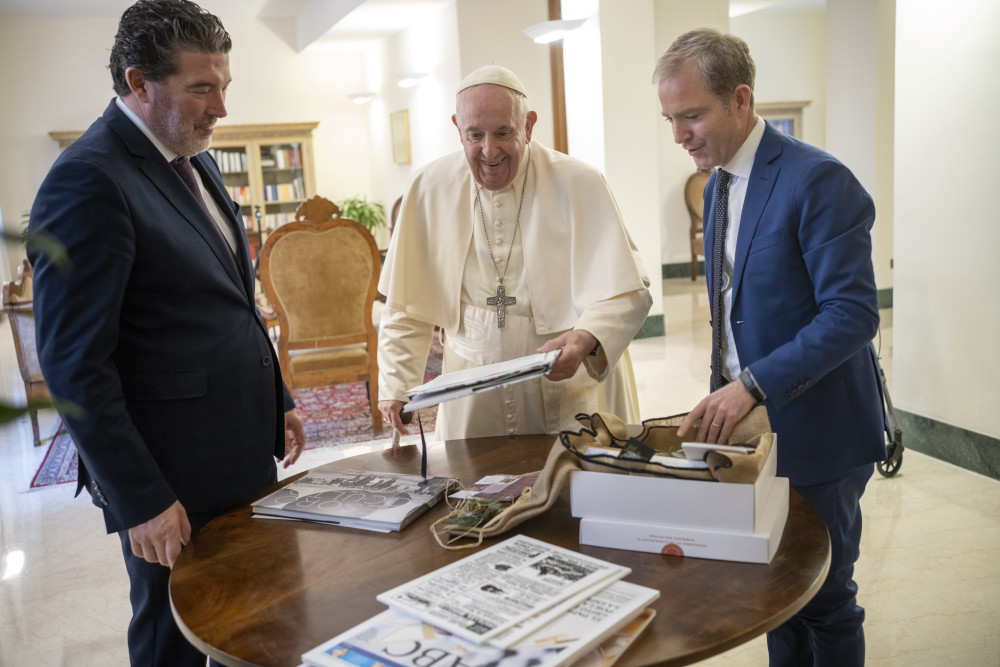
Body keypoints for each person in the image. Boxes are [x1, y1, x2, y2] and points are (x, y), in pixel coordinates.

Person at [27, 1, 305, 664]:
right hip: (170, 478)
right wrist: (142, 499)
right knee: (172, 639)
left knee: (248, 615)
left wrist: (280, 401)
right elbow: (73, 365)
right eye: (202, 88)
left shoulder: (194, 157)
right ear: (138, 83)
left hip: (237, 453)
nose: (221, 109)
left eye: (224, 86)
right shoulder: (86, 180)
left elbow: (229, 299)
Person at [654, 28, 886, 666]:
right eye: (671, 119)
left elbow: (853, 314)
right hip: (756, 431)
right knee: (776, 593)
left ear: (741, 99)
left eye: (692, 115)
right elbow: (734, 310)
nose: (680, 135)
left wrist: (753, 383)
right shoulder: (720, 184)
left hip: (822, 430)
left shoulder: (818, 181)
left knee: (827, 599)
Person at [378, 65, 653, 440]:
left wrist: (586, 337)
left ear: (529, 125)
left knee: (577, 490)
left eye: (504, 133)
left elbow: (627, 293)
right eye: (475, 135)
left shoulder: (579, 181)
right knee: (476, 491)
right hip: (471, 389)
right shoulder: (429, 188)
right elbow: (406, 304)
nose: (489, 151)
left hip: (567, 378)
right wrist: (395, 384)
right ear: (458, 128)